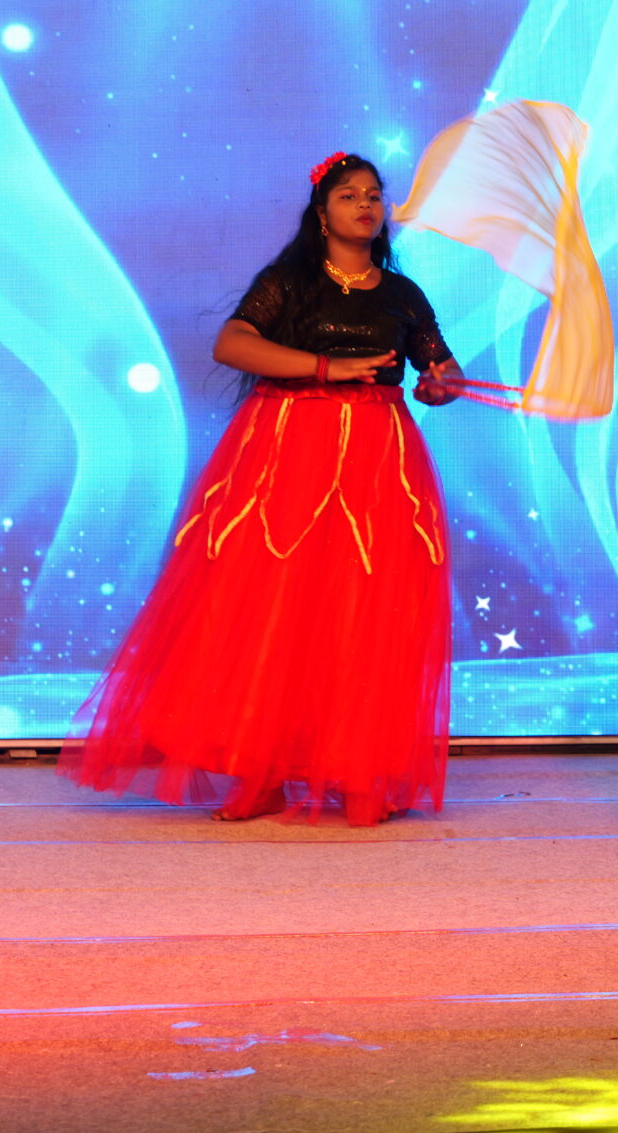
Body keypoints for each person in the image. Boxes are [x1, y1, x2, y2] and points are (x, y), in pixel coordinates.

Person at [62, 153, 463, 824]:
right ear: (321, 212)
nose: (365, 205)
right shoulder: (289, 282)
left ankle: (357, 770)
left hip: (376, 459)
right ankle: (262, 768)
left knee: (363, 609)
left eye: (373, 195)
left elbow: (441, 369)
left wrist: (441, 385)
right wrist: (327, 368)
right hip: (289, 451)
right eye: (348, 195)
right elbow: (233, 343)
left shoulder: (403, 295)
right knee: (277, 605)